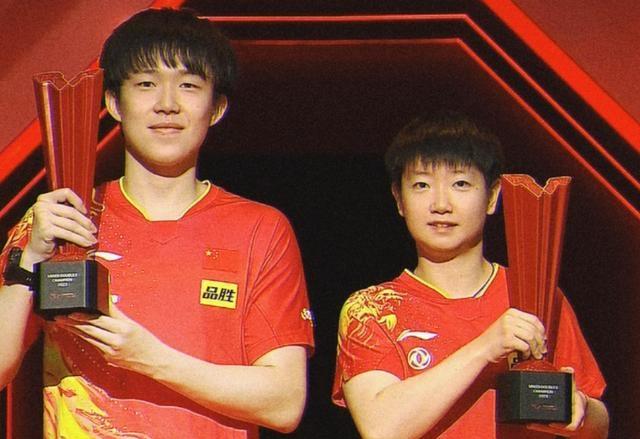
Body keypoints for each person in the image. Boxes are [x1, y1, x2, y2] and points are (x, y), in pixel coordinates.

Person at [0, 8, 314, 438]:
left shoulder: (259, 229)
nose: (167, 104)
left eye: (189, 85)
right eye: (146, 84)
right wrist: (30, 260)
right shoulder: (62, 218)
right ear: (114, 103)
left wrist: (150, 358)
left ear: (216, 108)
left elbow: (284, 402)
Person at [332, 111, 608, 438]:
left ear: (492, 196)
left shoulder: (537, 293)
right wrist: (487, 346)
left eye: (460, 184)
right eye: (421, 185)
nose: (441, 204)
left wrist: (580, 410)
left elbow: (599, 424)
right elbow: (382, 429)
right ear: (399, 200)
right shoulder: (371, 309)